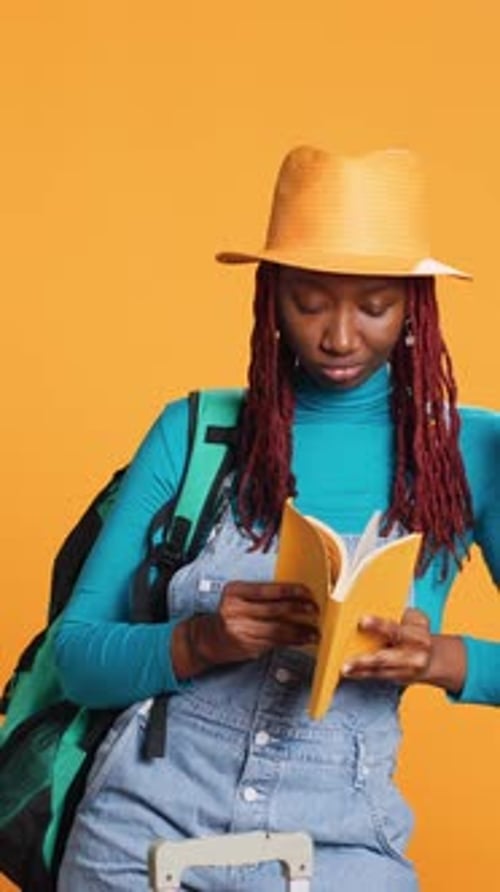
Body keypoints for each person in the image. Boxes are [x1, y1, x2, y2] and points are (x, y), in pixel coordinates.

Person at [54, 145, 499, 891]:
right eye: (310, 300)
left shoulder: (469, 448)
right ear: (271, 296)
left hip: (343, 851)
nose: (339, 336)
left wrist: (442, 659)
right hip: (140, 845)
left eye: (375, 304)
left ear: (415, 305)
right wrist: (198, 640)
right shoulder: (193, 431)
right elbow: (75, 658)